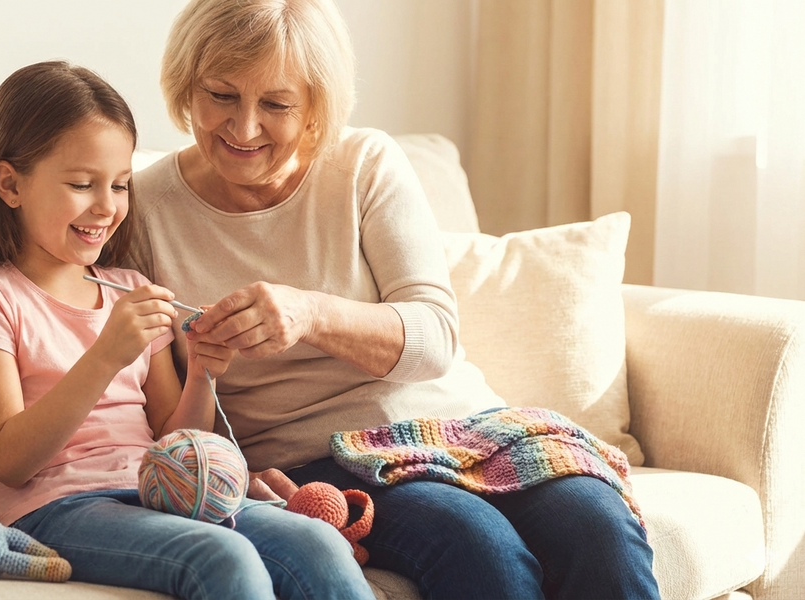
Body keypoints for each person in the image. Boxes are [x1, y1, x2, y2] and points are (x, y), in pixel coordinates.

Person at [128, 1, 662, 598]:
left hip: (463, 427)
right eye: (221, 95)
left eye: (276, 104)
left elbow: (435, 338)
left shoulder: (363, 164)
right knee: (478, 545)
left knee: (599, 528)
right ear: (186, 85)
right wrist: (228, 473)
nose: (244, 127)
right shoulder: (143, 207)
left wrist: (310, 313)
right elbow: (149, 398)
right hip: (317, 460)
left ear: (313, 108)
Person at [0, 60, 374, 600]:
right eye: (82, 184)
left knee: (318, 542)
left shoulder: (127, 286)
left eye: (120, 184)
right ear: (10, 184)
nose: (107, 206)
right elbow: (10, 461)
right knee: (223, 557)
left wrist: (202, 370)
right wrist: (105, 356)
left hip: (157, 490)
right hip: (53, 509)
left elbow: (172, 438)